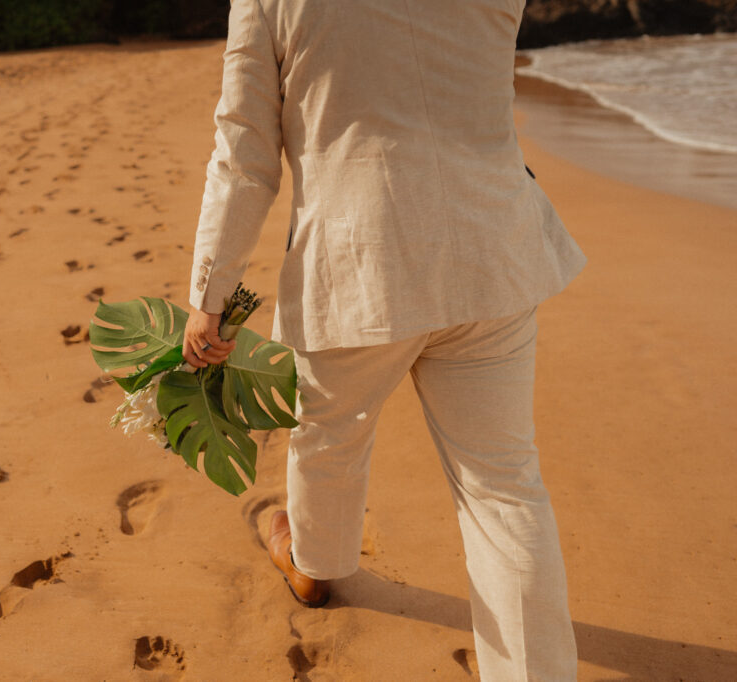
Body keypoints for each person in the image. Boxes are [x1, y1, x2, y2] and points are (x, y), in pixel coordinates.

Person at [181, 0, 586, 679]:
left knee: (327, 436)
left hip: (358, 258)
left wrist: (209, 298)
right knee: (504, 491)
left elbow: (246, 153)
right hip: (490, 251)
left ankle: (314, 568)